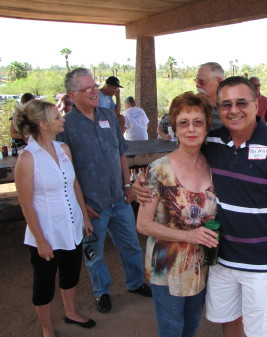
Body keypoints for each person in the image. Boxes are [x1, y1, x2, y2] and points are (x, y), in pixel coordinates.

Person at [135, 77, 267, 337]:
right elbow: (144, 221)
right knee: (189, 325)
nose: (234, 110)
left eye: (241, 102)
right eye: (226, 104)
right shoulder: (192, 155)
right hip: (197, 263)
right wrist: (139, 185)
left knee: (228, 326)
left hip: (240, 263)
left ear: (256, 103)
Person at [57, 68, 151, 314]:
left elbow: (120, 152)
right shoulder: (65, 126)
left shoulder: (108, 116)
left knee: (131, 245)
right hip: (91, 205)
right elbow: (64, 172)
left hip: (119, 200)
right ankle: (102, 292)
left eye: (94, 86)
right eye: (86, 88)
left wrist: (128, 186)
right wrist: (80, 206)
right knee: (94, 254)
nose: (93, 92)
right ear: (71, 94)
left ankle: (136, 282)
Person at [136, 91, 218, 337]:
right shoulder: (158, 170)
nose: (191, 129)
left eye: (197, 122)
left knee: (192, 324)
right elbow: (143, 225)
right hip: (168, 265)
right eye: (183, 123)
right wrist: (189, 236)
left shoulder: (213, 164)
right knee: (172, 328)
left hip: (202, 263)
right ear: (174, 128)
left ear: (206, 127)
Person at [13, 100, 96, 337]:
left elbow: (74, 184)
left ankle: (71, 312)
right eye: (57, 117)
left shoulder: (63, 149)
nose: (63, 119)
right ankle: (47, 328)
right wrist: (40, 240)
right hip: (46, 232)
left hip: (71, 227)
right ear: (43, 124)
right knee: (44, 283)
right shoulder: (28, 159)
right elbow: (25, 203)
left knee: (71, 273)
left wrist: (85, 218)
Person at [195, 62, 224, 130]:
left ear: (218, 82)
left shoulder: (232, 109)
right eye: (197, 81)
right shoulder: (192, 104)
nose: (197, 85)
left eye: (202, 81)